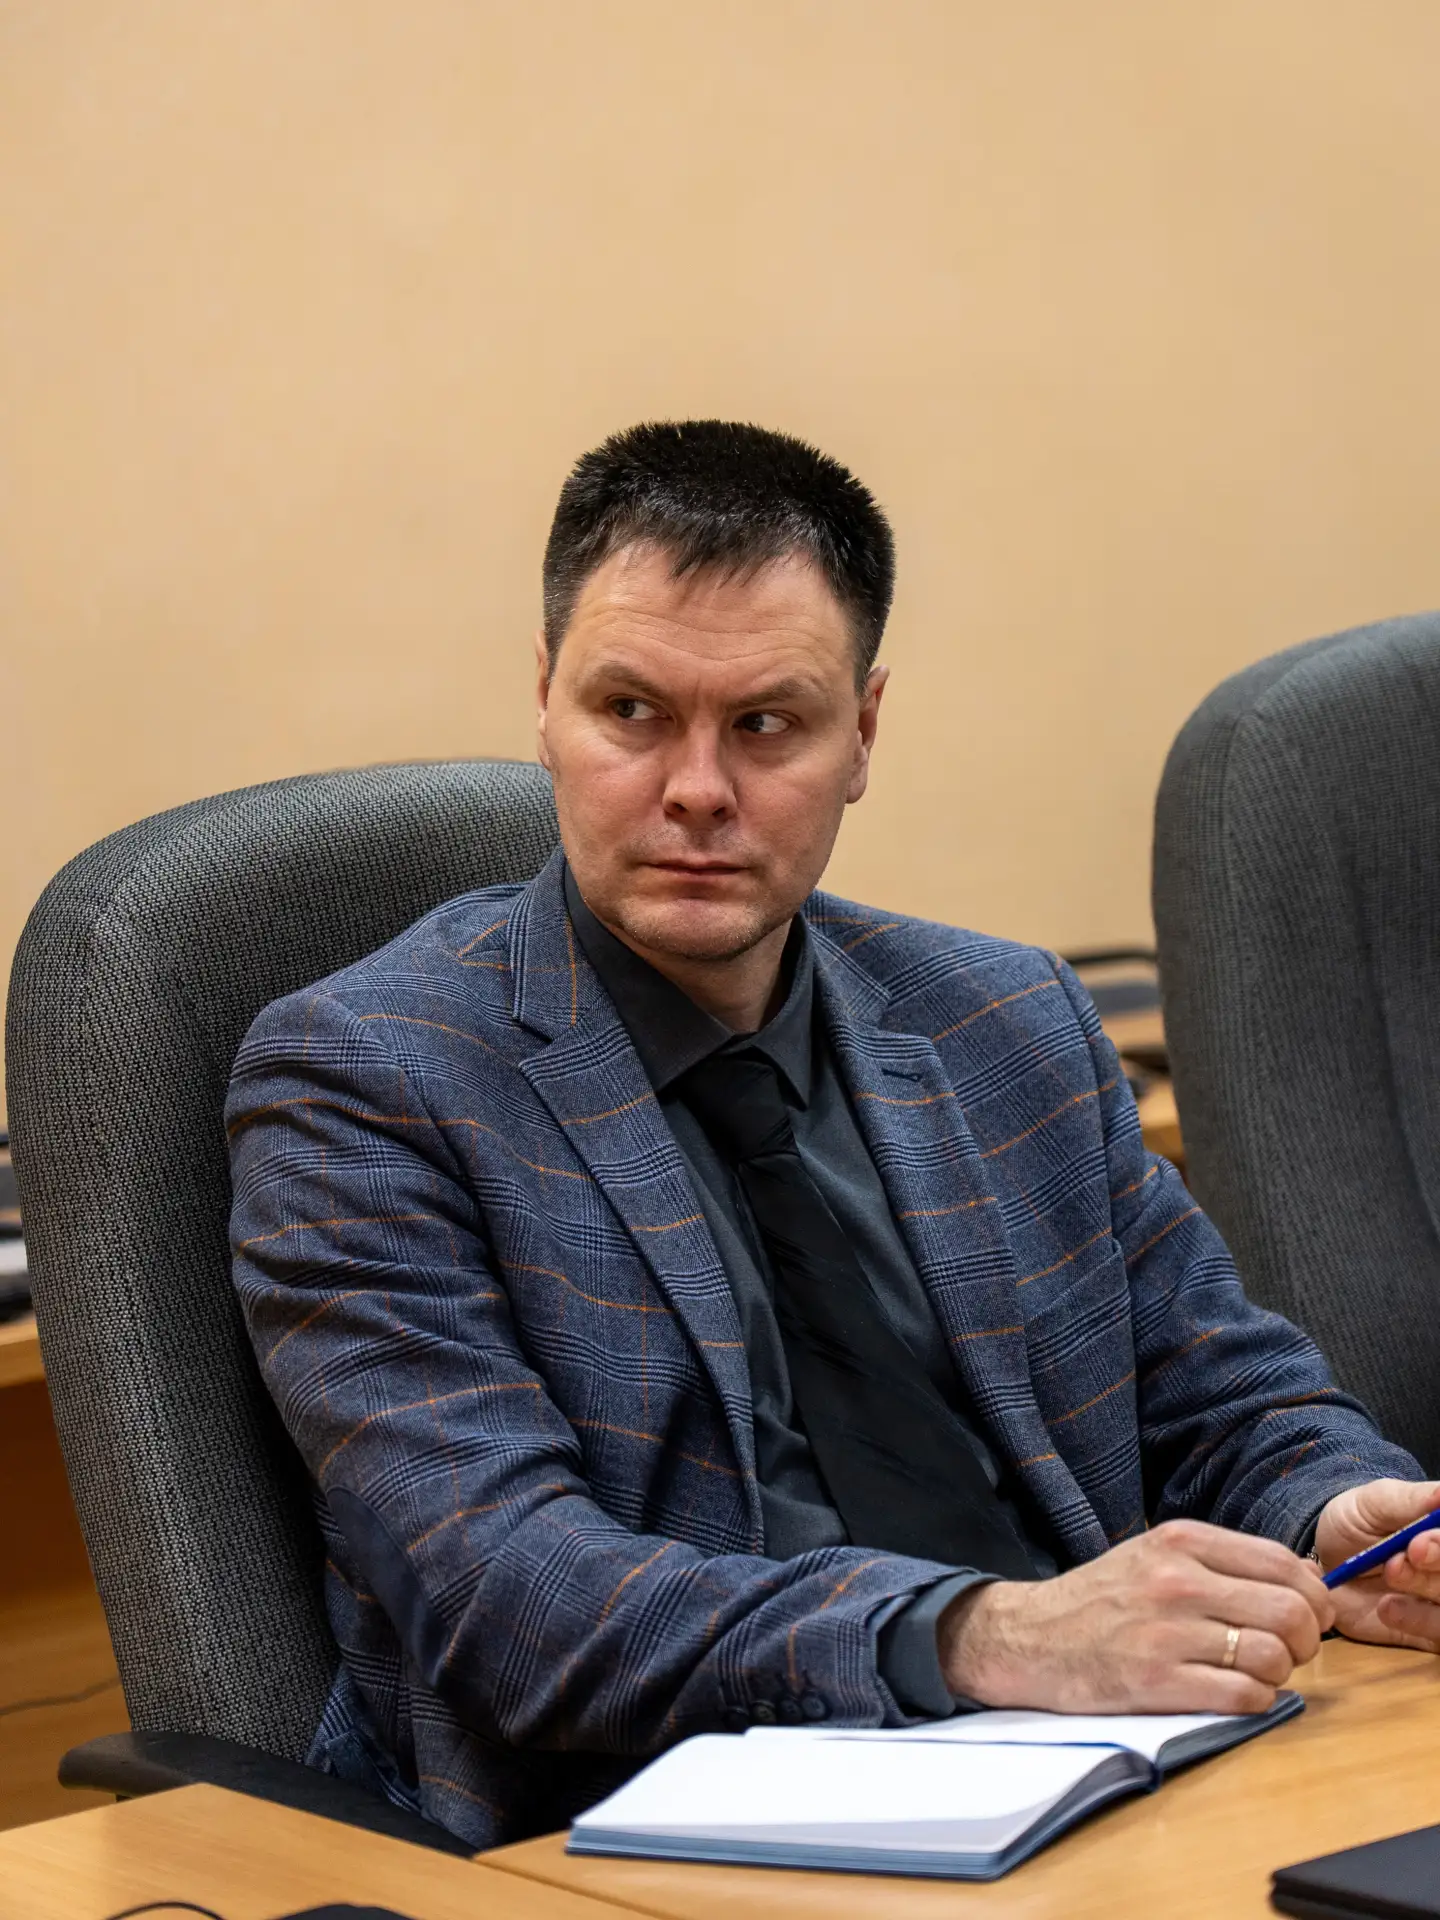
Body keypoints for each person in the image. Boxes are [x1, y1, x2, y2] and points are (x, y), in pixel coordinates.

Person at [228, 420, 1440, 1849]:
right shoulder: (367, 1083)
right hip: (655, 1828)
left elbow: (1219, 1393)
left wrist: (1334, 1508)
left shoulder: (1004, 1018)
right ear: (545, 700)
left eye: (766, 725)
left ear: (862, 734)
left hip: (1107, 1768)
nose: (697, 788)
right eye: (632, 711)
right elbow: (516, 1598)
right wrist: (985, 1635)